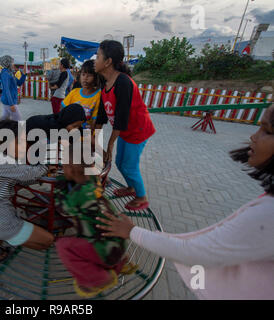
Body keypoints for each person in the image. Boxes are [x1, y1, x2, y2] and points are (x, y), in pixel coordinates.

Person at [96, 104, 274, 300]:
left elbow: (196, 252)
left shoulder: (268, 214)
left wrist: (131, 231)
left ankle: (140, 197)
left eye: (266, 131)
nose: (253, 137)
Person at [54, 148, 136, 298]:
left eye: (63, 165)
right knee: (92, 233)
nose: (61, 168)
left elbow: (62, 207)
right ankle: (120, 264)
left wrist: (59, 182)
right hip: (119, 244)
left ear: (71, 170)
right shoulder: (93, 182)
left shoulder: (78, 196)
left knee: (63, 246)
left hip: (105, 250)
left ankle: (99, 279)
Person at [0, 119, 55, 264]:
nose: (24, 146)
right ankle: (11, 239)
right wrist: (46, 168)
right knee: (48, 240)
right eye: (19, 142)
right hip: (1, 223)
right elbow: (29, 173)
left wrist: (39, 178)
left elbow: (20, 178)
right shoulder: (2, 161)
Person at [94, 40, 155, 211]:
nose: (95, 60)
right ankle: (131, 188)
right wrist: (94, 140)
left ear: (108, 62)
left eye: (98, 56)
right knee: (120, 164)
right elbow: (100, 116)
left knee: (129, 166)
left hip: (138, 130)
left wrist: (109, 145)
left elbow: (121, 119)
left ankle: (141, 197)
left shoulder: (123, 83)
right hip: (124, 131)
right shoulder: (105, 82)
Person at [61, 60, 101, 130]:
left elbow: (96, 123)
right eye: (83, 74)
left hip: (87, 137)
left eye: (90, 75)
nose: (85, 78)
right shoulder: (74, 92)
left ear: (96, 78)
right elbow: (62, 109)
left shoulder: (98, 96)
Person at [0, 55, 26, 121]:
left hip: (10, 100)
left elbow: (18, 83)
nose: (13, 64)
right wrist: (11, 104)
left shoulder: (10, 72)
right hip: (9, 101)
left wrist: (24, 74)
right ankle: (21, 131)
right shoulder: (5, 73)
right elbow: (6, 89)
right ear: (8, 63)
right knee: (19, 119)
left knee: (5, 118)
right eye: (12, 62)